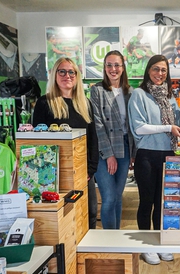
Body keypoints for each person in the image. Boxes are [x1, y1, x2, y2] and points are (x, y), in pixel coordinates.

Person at [128, 55, 180, 265]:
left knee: (163, 203)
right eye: (155, 69)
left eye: (163, 70)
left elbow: (178, 121)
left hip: (167, 155)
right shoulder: (139, 95)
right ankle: (146, 246)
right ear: (148, 71)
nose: (159, 74)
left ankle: (160, 243)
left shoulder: (168, 97)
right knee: (147, 202)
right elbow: (139, 128)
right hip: (147, 156)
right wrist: (168, 128)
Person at [32, 57, 99, 230]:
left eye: (71, 72)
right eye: (62, 71)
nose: (67, 75)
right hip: (55, 175)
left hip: (83, 172)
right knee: (64, 216)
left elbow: (92, 139)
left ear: (77, 76)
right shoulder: (44, 103)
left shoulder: (85, 104)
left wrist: (90, 170)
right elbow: (37, 142)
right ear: (54, 75)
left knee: (90, 211)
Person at [90, 50, 133, 229]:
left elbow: (131, 126)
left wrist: (134, 153)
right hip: (103, 149)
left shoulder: (130, 92)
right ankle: (109, 239)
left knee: (117, 197)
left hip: (125, 147)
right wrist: (108, 155)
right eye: (109, 65)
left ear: (123, 68)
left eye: (117, 65)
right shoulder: (97, 90)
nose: (113, 69)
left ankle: (116, 238)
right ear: (104, 67)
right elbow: (98, 125)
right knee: (108, 198)